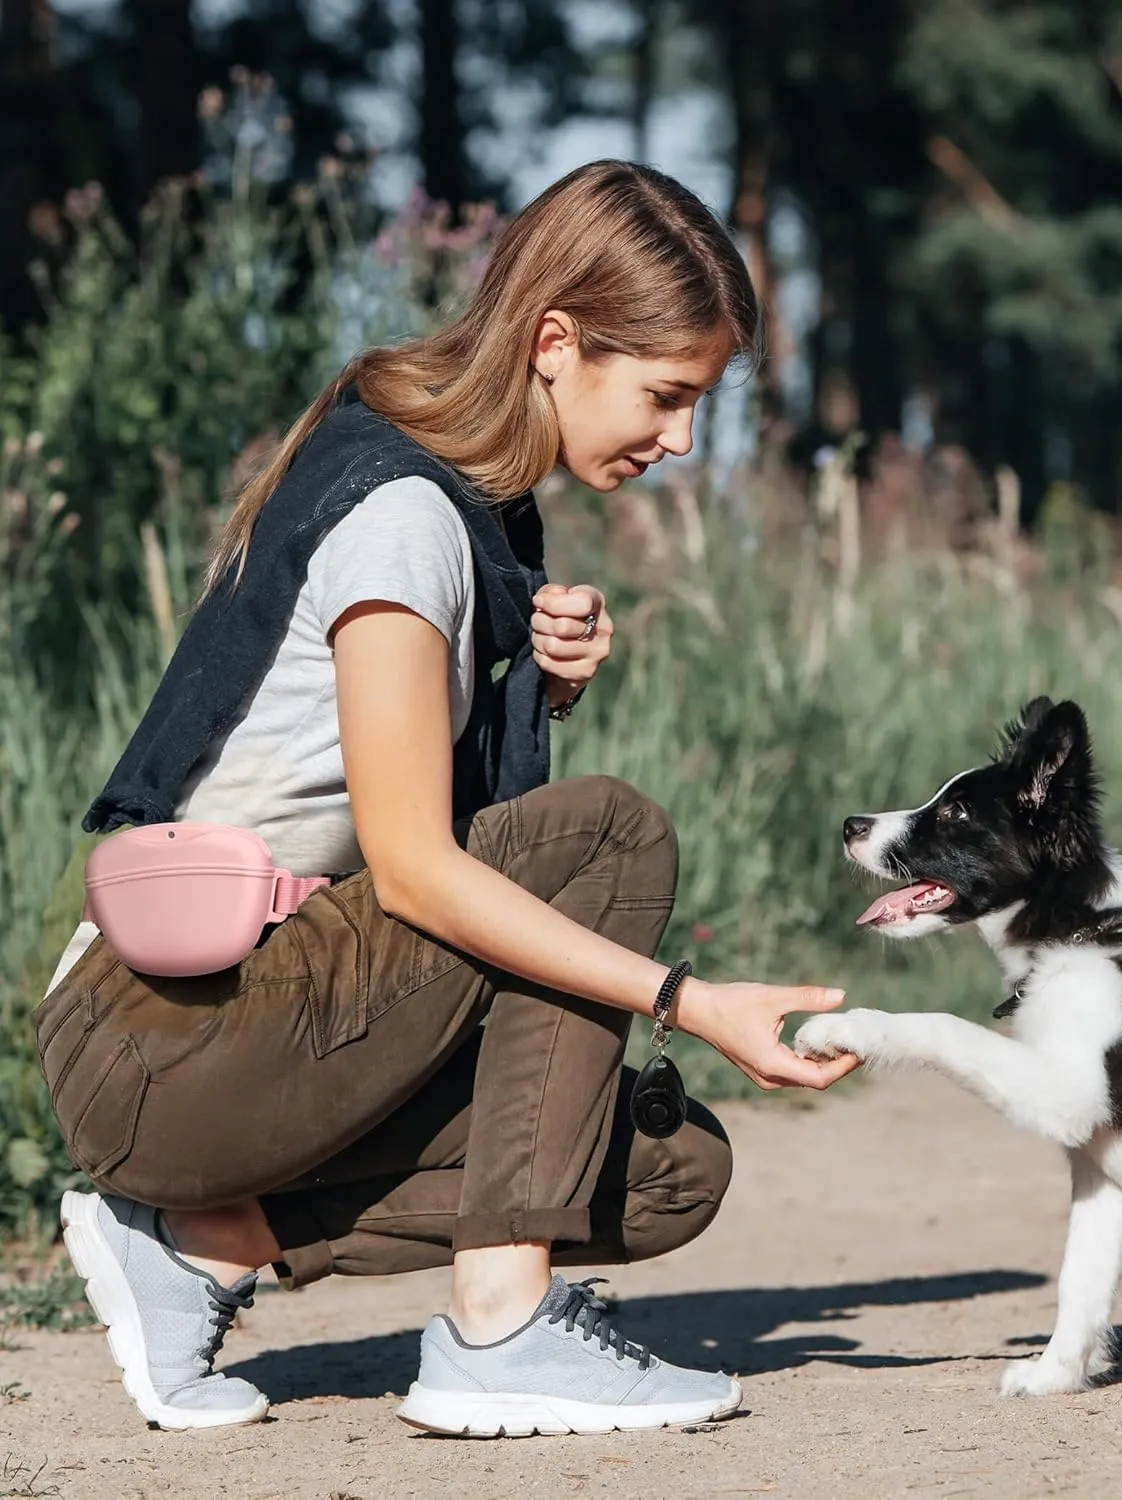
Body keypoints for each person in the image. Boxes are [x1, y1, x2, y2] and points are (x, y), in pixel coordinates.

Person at [36, 158, 858, 1441]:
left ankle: (205, 1241)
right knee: (609, 832)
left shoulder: (468, 513)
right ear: (553, 341)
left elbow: (393, 831)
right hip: (156, 1036)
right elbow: (416, 871)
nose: (682, 440)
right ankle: (500, 1331)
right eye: (665, 395)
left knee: (664, 1173)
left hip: (251, 1025)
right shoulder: (407, 517)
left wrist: (532, 685)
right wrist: (688, 1003)